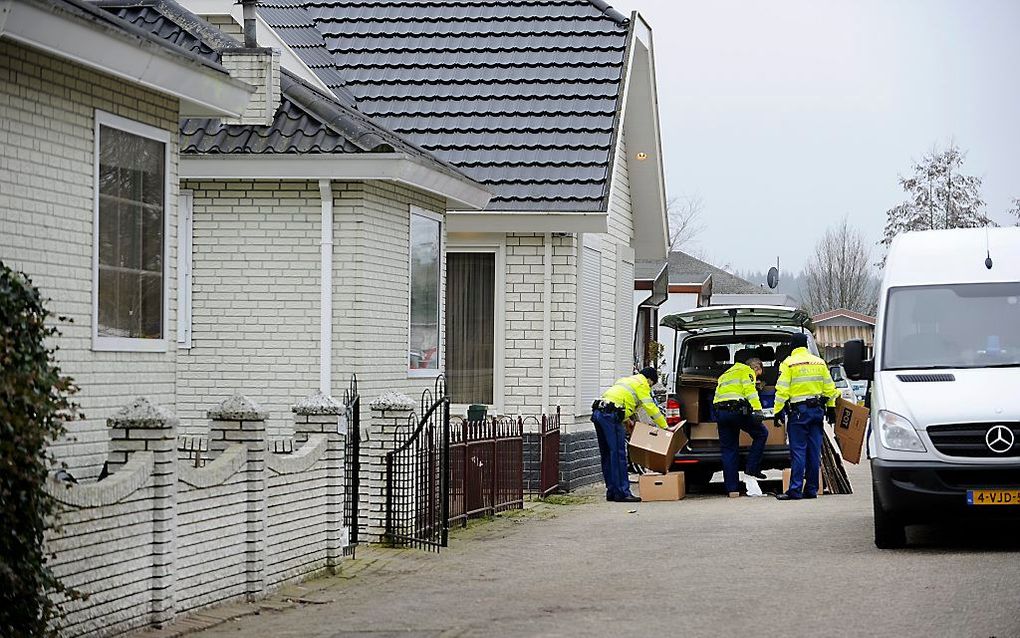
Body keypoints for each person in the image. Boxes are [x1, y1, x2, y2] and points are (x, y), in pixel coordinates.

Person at [773, 333, 840, 500]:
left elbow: (782, 390)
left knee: (798, 451)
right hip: (817, 412)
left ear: (793, 345)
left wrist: (777, 411)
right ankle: (811, 490)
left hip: (798, 413)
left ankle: (795, 490)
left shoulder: (788, 363)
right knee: (813, 451)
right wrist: (831, 408)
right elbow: (830, 389)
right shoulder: (819, 362)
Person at [592, 367, 669, 503]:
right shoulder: (642, 384)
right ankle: (622, 492)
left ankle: (612, 491)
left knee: (607, 454)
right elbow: (651, 407)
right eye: (651, 384)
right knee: (618, 454)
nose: (650, 387)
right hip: (611, 416)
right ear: (650, 380)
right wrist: (665, 427)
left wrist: (627, 420)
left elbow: (620, 400)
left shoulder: (626, 380)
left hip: (599, 413)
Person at [712, 356, 768, 498]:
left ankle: (733, 490)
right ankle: (751, 470)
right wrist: (757, 410)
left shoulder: (725, 374)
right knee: (761, 433)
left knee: (729, 450)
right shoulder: (747, 371)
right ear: (755, 368)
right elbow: (750, 391)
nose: (755, 379)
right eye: (757, 375)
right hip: (736, 411)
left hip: (721, 413)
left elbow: (716, 395)